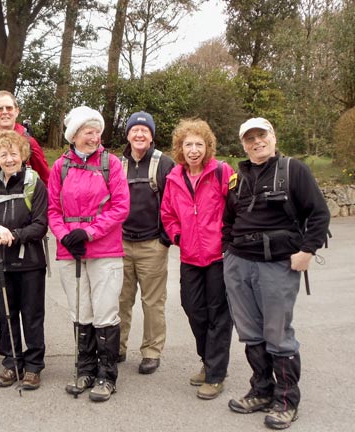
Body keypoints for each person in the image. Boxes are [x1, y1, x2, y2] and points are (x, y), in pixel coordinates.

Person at [222, 118, 330, 429]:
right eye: (249, 138)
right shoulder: (237, 178)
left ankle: (286, 400)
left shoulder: (293, 170)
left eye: (261, 135)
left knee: (278, 334)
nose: (256, 142)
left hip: (278, 265)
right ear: (243, 143)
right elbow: (228, 220)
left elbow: (319, 213)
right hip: (239, 263)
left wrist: (307, 252)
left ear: (273, 137)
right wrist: (227, 252)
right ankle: (261, 391)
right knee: (250, 332)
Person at [47, 106, 130, 402]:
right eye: (87, 132)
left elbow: (121, 206)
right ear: (74, 135)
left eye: (97, 131)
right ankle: (85, 370)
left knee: (105, 311)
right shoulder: (60, 166)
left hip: (105, 250)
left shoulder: (112, 164)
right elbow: (53, 210)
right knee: (81, 311)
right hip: (71, 252)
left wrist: (90, 232)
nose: (94, 137)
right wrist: (66, 236)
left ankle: (107, 376)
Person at [160, 118, 234, 400]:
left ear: (208, 147)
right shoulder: (174, 178)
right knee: (193, 309)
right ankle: (208, 360)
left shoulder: (221, 172)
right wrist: (178, 237)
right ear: (180, 147)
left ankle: (215, 374)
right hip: (190, 256)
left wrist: (228, 239)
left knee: (218, 315)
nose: (193, 150)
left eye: (199, 144)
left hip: (218, 256)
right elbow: (167, 214)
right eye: (188, 144)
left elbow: (236, 208)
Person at [0, 130, 48, 391]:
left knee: (32, 314)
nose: (9, 159)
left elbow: (40, 225)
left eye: (13, 154)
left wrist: (12, 235)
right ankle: (11, 362)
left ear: (23, 155)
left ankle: (34, 366)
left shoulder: (34, 183)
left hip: (30, 263)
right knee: (6, 315)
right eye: (3, 154)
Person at [118, 111, 174, 375]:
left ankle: (151, 352)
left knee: (153, 303)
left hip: (153, 245)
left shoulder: (164, 164)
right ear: (128, 135)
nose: (139, 135)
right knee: (120, 300)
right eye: (134, 130)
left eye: (145, 131)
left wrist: (165, 238)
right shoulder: (117, 164)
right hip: (121, 244)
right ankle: (116, 347)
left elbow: (174, 203)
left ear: (151, 136)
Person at [0, 90, 50, 185]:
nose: (5, 112)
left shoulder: (29, 142)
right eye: (0, 109)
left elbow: (46, 179)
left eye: (9, 108)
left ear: (16, 111)